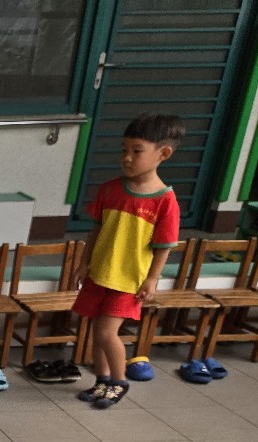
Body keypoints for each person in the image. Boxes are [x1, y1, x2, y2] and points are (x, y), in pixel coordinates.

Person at [72, 112, 183, 409]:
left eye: (137, 151)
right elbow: (96, 230)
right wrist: (84, 263)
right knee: (97, 333)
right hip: (99, 274)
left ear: (163, 154)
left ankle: (119, 382)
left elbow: (163, 247)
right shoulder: (109, 189)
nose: (127, 158)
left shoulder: (165, 201)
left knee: (107, 332)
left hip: (129, 280)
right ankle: (101, 380)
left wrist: (152, 279)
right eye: (124, 149)